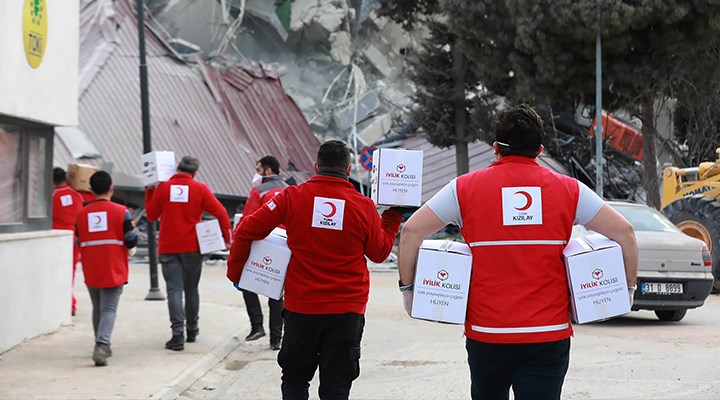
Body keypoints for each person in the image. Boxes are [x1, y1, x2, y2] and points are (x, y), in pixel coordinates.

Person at [397, 104, 638, 400]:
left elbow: (410, 232)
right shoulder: (571, 190)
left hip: (487, 334)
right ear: (539, 150)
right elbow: (625, 233)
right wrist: (627, 289)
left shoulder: (463, 188)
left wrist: (408, 290)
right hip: (548, 335)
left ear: (496, 148)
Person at [227, 140, 404, 400]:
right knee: (336, 386)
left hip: (302, 309)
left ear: (315, 166)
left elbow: (246, 230)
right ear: (349, 169)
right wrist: (393, 216)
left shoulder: (292, 197)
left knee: (295, 379)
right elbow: (379, 254)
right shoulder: (362, 206)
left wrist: (237, 273)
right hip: (346, 311)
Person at [145, 156, 232, 351]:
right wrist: (226, 237)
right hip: (193, 247)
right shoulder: (200, 189)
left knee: (174, 291)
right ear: (194, 173)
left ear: (177, 168)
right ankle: (192, 330)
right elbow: (221, 212)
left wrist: (149, 191)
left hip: (168, 248)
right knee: (191, 289)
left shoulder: (163, 188)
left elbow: (151, 215)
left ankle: (177, 335)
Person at [75, 171, 137, 366]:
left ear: (91, 190)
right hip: (113, 265)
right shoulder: (122, 211)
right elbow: (131, 239)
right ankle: (102, 345)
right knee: (108, 309)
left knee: (98, 308)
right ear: (111, 189)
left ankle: (100, 343)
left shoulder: (81, 213)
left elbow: (78, 239)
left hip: (91, 266)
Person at [240, 155, 288, 349]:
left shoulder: (258, 191)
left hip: (262, 243)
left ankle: (257, 326)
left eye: (258, 170)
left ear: (268, 171)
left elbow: (247, 219)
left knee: (247, 284)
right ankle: (276, 338)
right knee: (276, 292)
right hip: (286, 245)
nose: (256, 174)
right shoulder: (290, 189)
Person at [52, 167, 85, 316]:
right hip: (75, 237)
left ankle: (67, 303)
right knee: (70, 271)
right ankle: (70, 304)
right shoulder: (77, 195)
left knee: (57, 272)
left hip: (57, 238)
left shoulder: (51, 196)